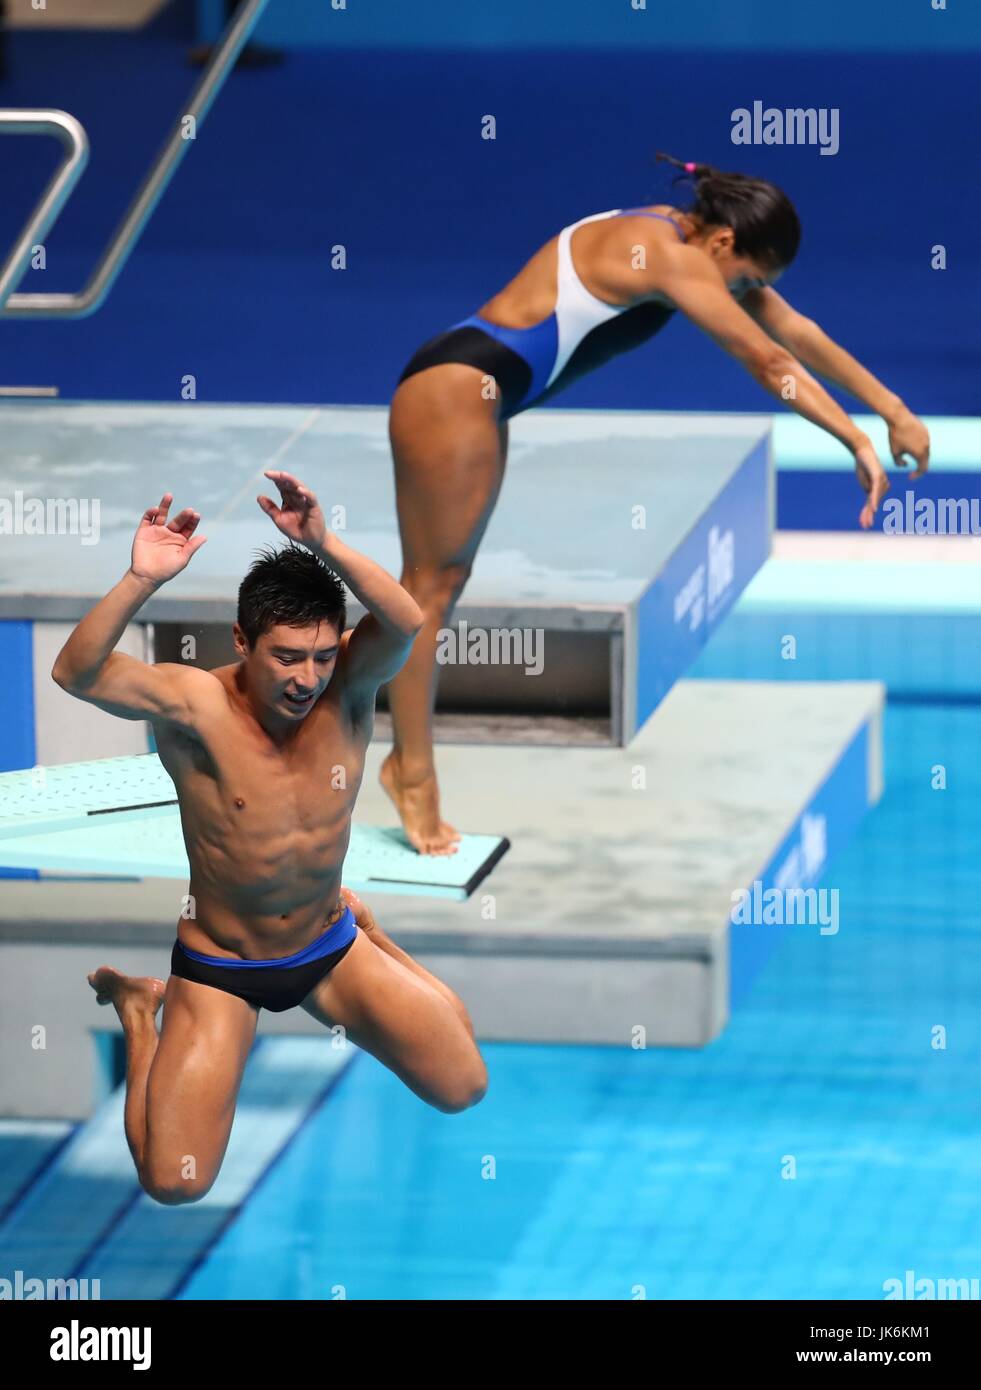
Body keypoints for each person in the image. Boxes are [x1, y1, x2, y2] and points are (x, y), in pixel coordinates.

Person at [382, 153, 931, 855]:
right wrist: (854, 439)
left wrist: (893, 410)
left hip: (478, 391)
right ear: (725, 243)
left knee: (432, 588)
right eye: (752, 279)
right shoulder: (666, 257)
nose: (753, 292)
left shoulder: (689, 242)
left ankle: (359, 719)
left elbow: (795, 333)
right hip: (457, 388)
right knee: (430, 589)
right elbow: (768, 363)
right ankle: (412, 774)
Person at [52, 471, 487, 1207]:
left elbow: (407, 619)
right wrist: (139, 577)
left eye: (320, 655)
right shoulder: (195, 704)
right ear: (242, 641)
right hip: (222, 966)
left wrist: (324, 542)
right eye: (286, 657)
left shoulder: (350, 686)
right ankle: (138, 1009)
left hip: (328, 946)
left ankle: (370, 930)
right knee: (172, 1182)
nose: (306, 678)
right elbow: (76, 672)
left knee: (463, 1087)